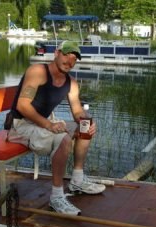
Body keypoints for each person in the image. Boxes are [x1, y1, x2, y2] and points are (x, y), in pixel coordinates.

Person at [7, 41, 106, 215]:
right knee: (64, 138)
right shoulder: (37, 72)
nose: (70, 60)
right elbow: (23, 106)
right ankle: (57, 197)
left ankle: (77, 180)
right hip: (20, 126)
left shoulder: (72, 83)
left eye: (74, 57)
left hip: (41, 124)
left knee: (84, 126)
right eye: (66, 54)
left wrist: (88, 120)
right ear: (56, 53)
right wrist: (49, 125)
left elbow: (77, 111)